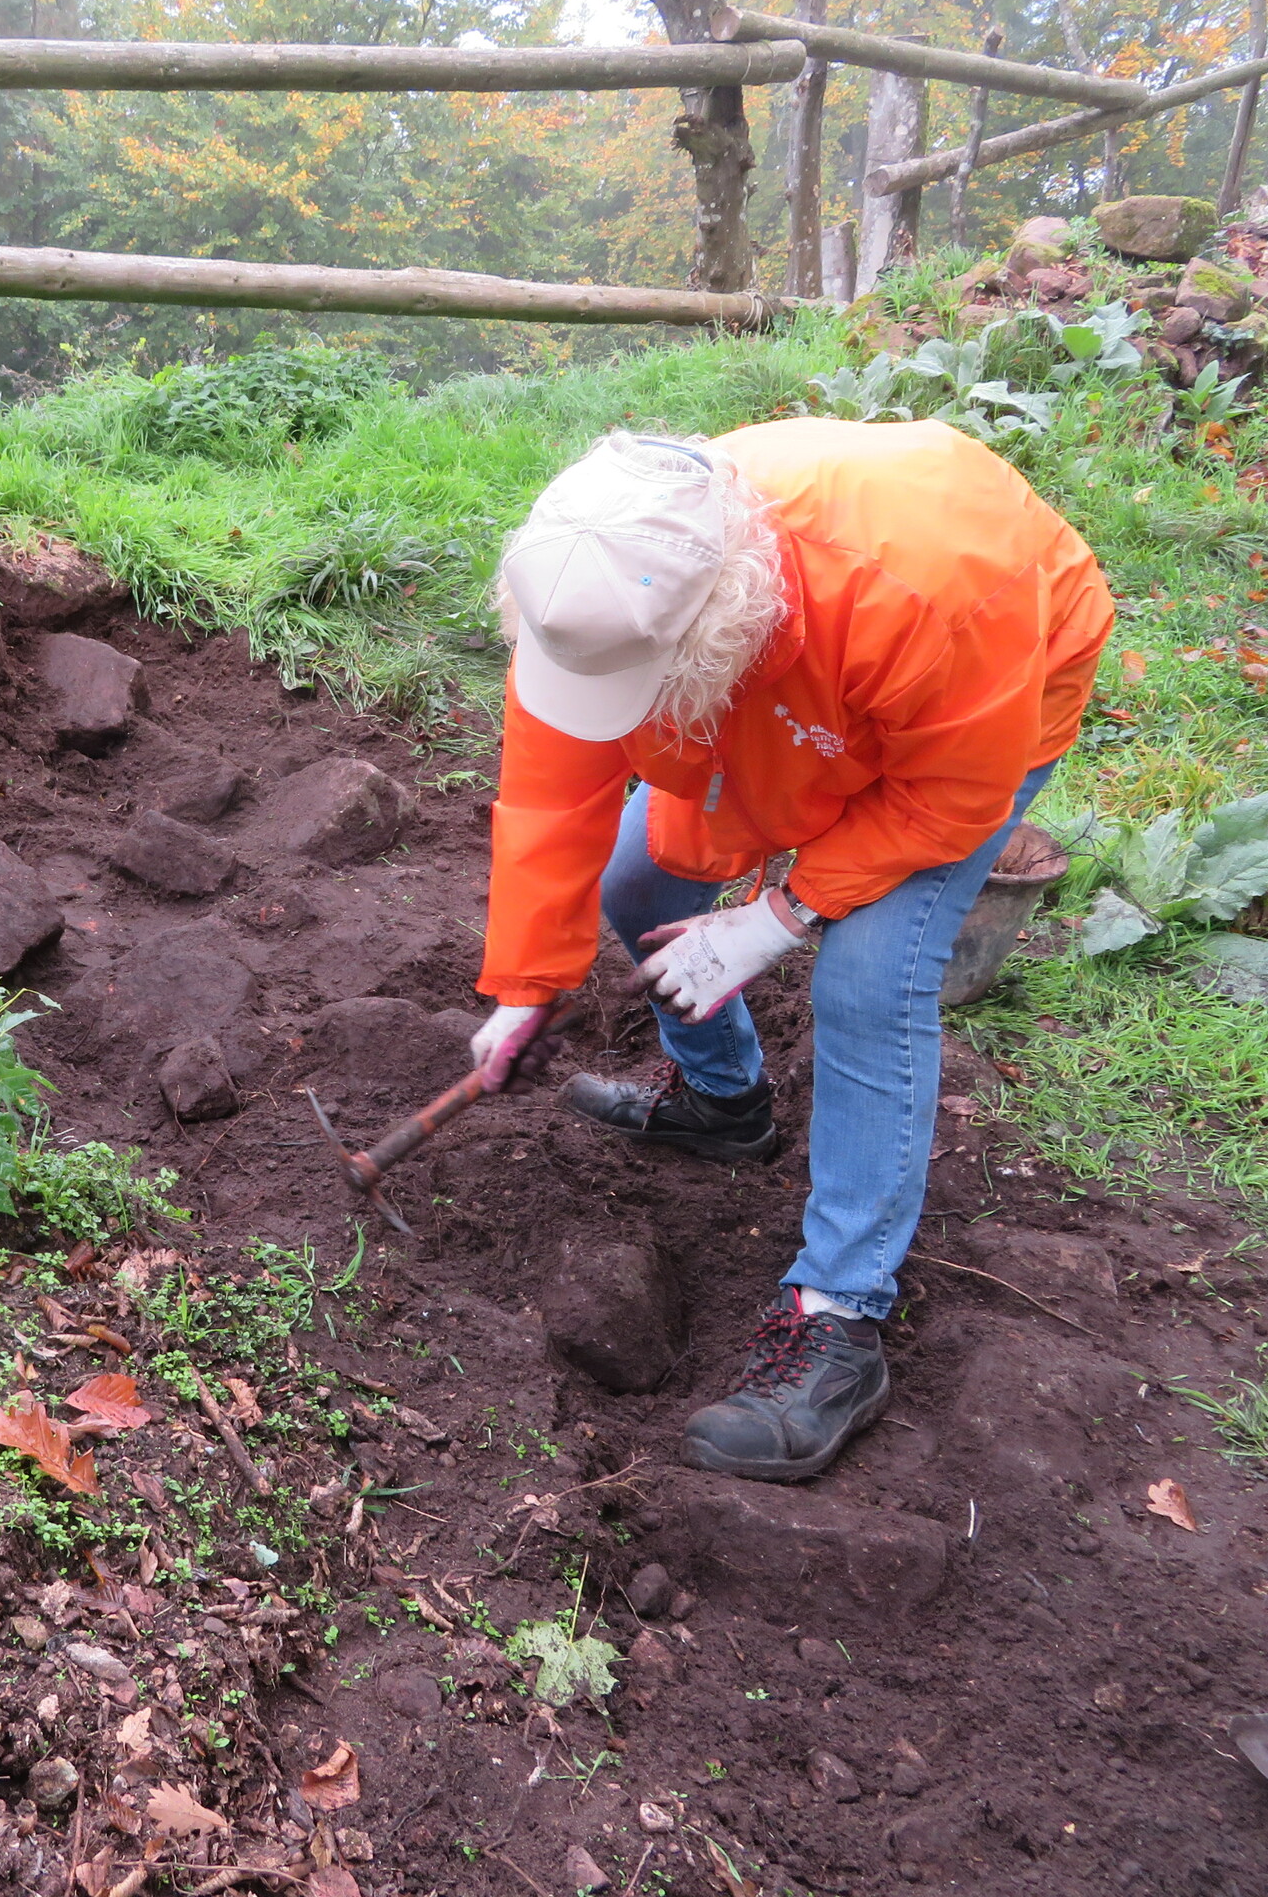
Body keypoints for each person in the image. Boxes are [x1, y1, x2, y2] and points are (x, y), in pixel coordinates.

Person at [467, 420, 1112, 1483]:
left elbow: (949, 797)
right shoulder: (595, 580)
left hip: (974, 711)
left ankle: (839, 1318)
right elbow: (552, 790)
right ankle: (726, 1105)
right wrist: (526, 986)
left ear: (717, 634)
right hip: (782, 695)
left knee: (869, 979)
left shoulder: (930, 592)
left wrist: (778, 918)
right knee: (638, 880)